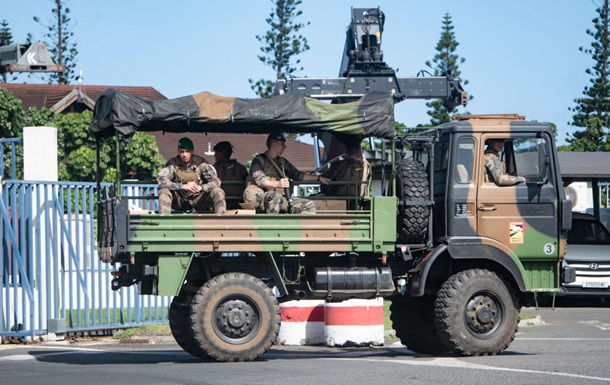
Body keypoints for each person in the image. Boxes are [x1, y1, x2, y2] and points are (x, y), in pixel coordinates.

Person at [244, 133, 331, 214]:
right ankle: (272, 228)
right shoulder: (259, 160)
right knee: (276, 197)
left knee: (308, 204)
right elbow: (260, 180)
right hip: (262, 199)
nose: (285, 147)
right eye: (282, 144)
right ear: (274, 145)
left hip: (280, 198)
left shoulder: (282, 162)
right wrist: (278, 184)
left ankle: (302, 229)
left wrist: (318, 178)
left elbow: (298, 175)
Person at [157, 137, 226, 214]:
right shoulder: (173, 164)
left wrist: (201, 188)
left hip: (199, 200)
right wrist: (182, 186)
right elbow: (161, 180)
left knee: (218, 191)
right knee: (164, 191)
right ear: (178, 151)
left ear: (192, 151)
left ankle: (221, 220)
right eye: (182, 152)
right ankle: (164, 222)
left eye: (187, 151)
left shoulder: (201, 163)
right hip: (180, 201)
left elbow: (216, 181)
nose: (184, 155)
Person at [322, 144, 371, 209]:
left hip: (339, 202)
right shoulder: (365, 167)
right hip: (357, 203)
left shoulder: (338, 165)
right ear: (360, 152)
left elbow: (325, 179)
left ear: (346, 152)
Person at [213, 141, 248, 210]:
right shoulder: (241, 168)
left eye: (216, 152)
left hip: (219, 205)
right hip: (238, 205)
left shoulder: (213, 169)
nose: (214, 155)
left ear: (220, 153)